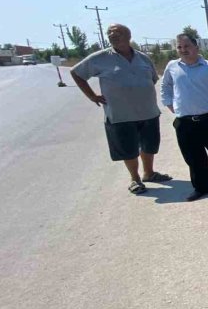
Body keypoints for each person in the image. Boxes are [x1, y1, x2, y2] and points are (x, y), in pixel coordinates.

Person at [70, 24, 172, 194]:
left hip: (148, 111)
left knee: (149, 144)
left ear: (128, 35)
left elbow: (153, 79)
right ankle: (135, 179)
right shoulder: (100, 58)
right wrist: (92, 96)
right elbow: (77, 73)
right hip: (120, 114)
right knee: (128, 148)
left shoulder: (143, 58)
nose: (112, 35)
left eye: (117, 32)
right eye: (109, 33)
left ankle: (149, 173)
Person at [161, 33, 208, 201]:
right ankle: (201, 188)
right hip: (185, 122)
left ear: (196, 47)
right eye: (179, 47)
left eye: (186, 46)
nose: (183, 50)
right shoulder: (172, 66)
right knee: (194, 157)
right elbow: (165, 85)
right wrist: (168, 102)